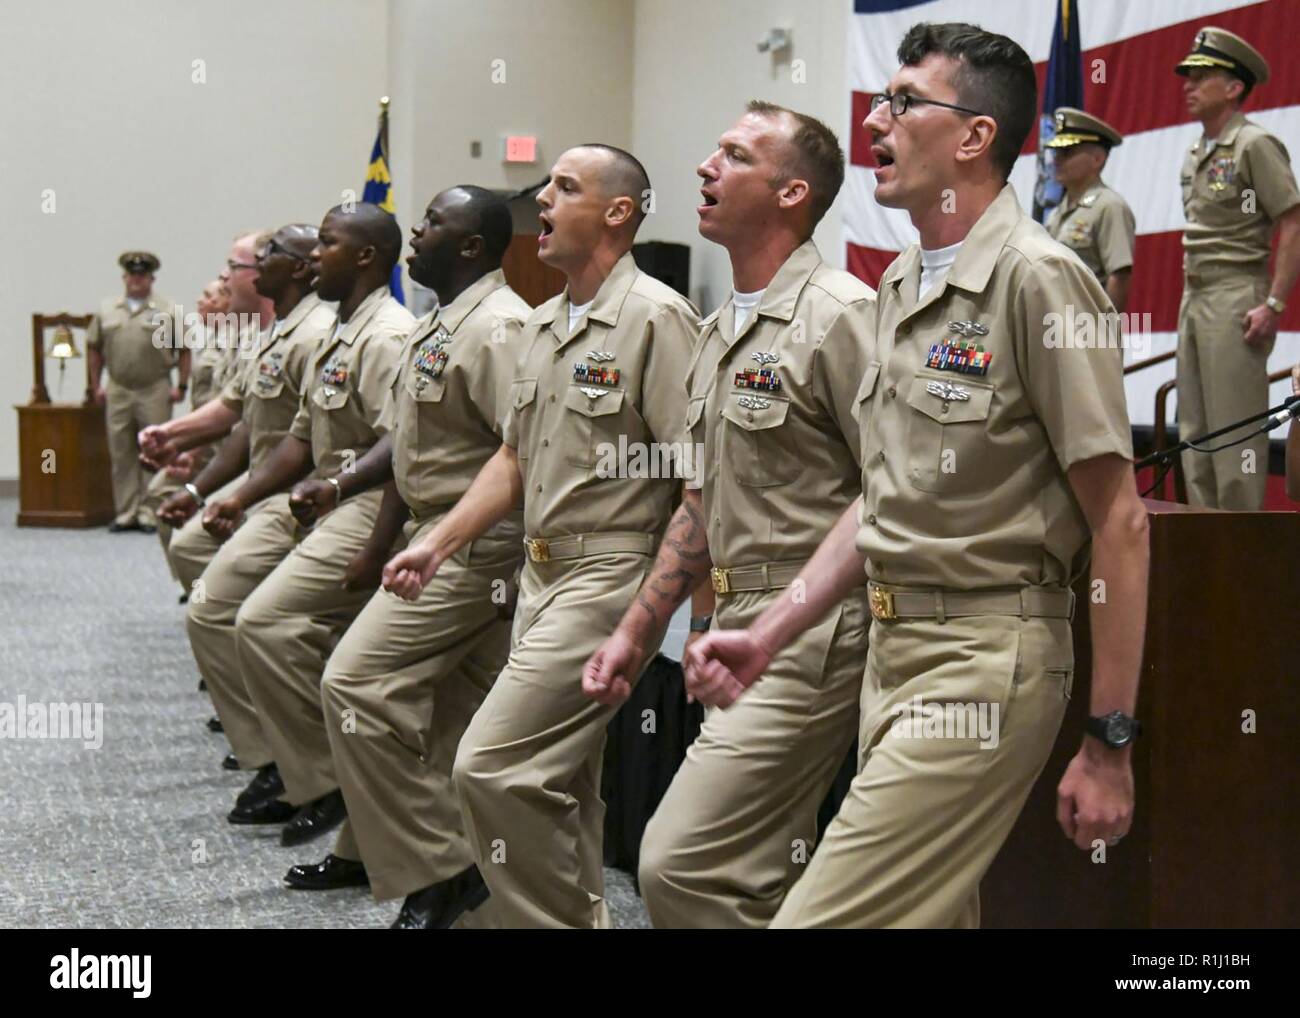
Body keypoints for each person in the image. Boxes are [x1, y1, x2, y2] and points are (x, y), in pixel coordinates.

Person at [685, 22, 1149, 928]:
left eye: (904, 103)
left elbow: (1121, 522)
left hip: (983, 660)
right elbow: (881, 498)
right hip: (892, 657)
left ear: (974, 137)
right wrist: (771, 632)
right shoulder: (902, 281)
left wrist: (1110, 741)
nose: (876, 122)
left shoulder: (1040, 280)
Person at [383, 145, 698, 927]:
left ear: (619, 213)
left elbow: (700, 475)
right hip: (538, 575)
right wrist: (439, 542)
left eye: (565, 187)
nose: (543, 202)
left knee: (491, 768)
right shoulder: (545, 319)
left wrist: (659, 609)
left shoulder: (656, 318)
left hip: (609, 573)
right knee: (563, 785)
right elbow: (513, 457)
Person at [582, 102, 875, 928]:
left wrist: (788, 622)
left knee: (680, 866)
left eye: (735, 155)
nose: (706, 167)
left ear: (791, 193)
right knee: (758, 871)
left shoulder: (840, 314)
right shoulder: (717, 332)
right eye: (713, 151)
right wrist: (639, 634)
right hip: (731, 625)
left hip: (812, 628)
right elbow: (700, 502)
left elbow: (888, 487)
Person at [282, 187, 530, 928]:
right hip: (432, 533)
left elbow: (520, 455)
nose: (414, 236)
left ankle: (445, 866)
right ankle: (433, 873)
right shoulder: (442, 323)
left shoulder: (500, 326)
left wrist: (443, 543)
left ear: (473, 247)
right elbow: (412, 450)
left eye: (432, 226)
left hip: (471, 546)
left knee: (354, 685)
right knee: (454, 718)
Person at [208, 203, 413, 851]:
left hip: (368, 506)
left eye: (326, 244)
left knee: (265, 624)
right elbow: (297, 438)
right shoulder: (338, 330)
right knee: (277, 633)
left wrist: (379, 544)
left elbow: (399, 451)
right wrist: (236, 499)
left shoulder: (386, 335)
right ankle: (313, 779)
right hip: (320, 499)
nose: (309, 257)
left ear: (363, 257)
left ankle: (318, 779)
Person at [1175, 26, 1300, 510]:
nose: (1188, 83)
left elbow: (1291, 221)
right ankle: (1206, 552)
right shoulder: (1195, 151)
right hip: (1195, 296)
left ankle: (1238, 560)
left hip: (1235, 298)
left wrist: (1273, 303)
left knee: (1235, 434)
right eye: (1187, 75)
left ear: (1233, 87)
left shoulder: (1254, 144)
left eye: (1201, 75)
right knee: (1195, 434)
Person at [144, 279, 240, 583]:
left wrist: (190, 448)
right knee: (161, 494)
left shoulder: (240, 340)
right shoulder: (215, 338)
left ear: (226, 303)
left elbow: (226, 405)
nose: (200, 301)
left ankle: (204, 582)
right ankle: (192, 582)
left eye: (209, 296)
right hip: (204, 438)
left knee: (170, 496)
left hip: (223, 444)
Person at [86, 251, 181, 533]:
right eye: (132, 275)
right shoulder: (107, 310)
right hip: (119, 388)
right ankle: (126, 512)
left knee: (154, 451)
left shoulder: (167, 309)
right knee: (121, 451)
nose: (137, 280)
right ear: (124, 277)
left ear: (151, 278)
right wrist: (95, 384)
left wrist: (182, 385)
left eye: (143, 275)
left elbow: (184, 350)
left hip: (154, 387)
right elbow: (94, 348)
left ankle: (150, 512)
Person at [1044, 108, 1135, 314]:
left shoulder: (1109, 206)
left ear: (1097, 159)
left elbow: (1119, 276)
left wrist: (1106, 333)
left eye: (1067, 152)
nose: (1057, 160)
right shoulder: (1057, 213)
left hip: (1087, 324)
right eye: (1057, 152)